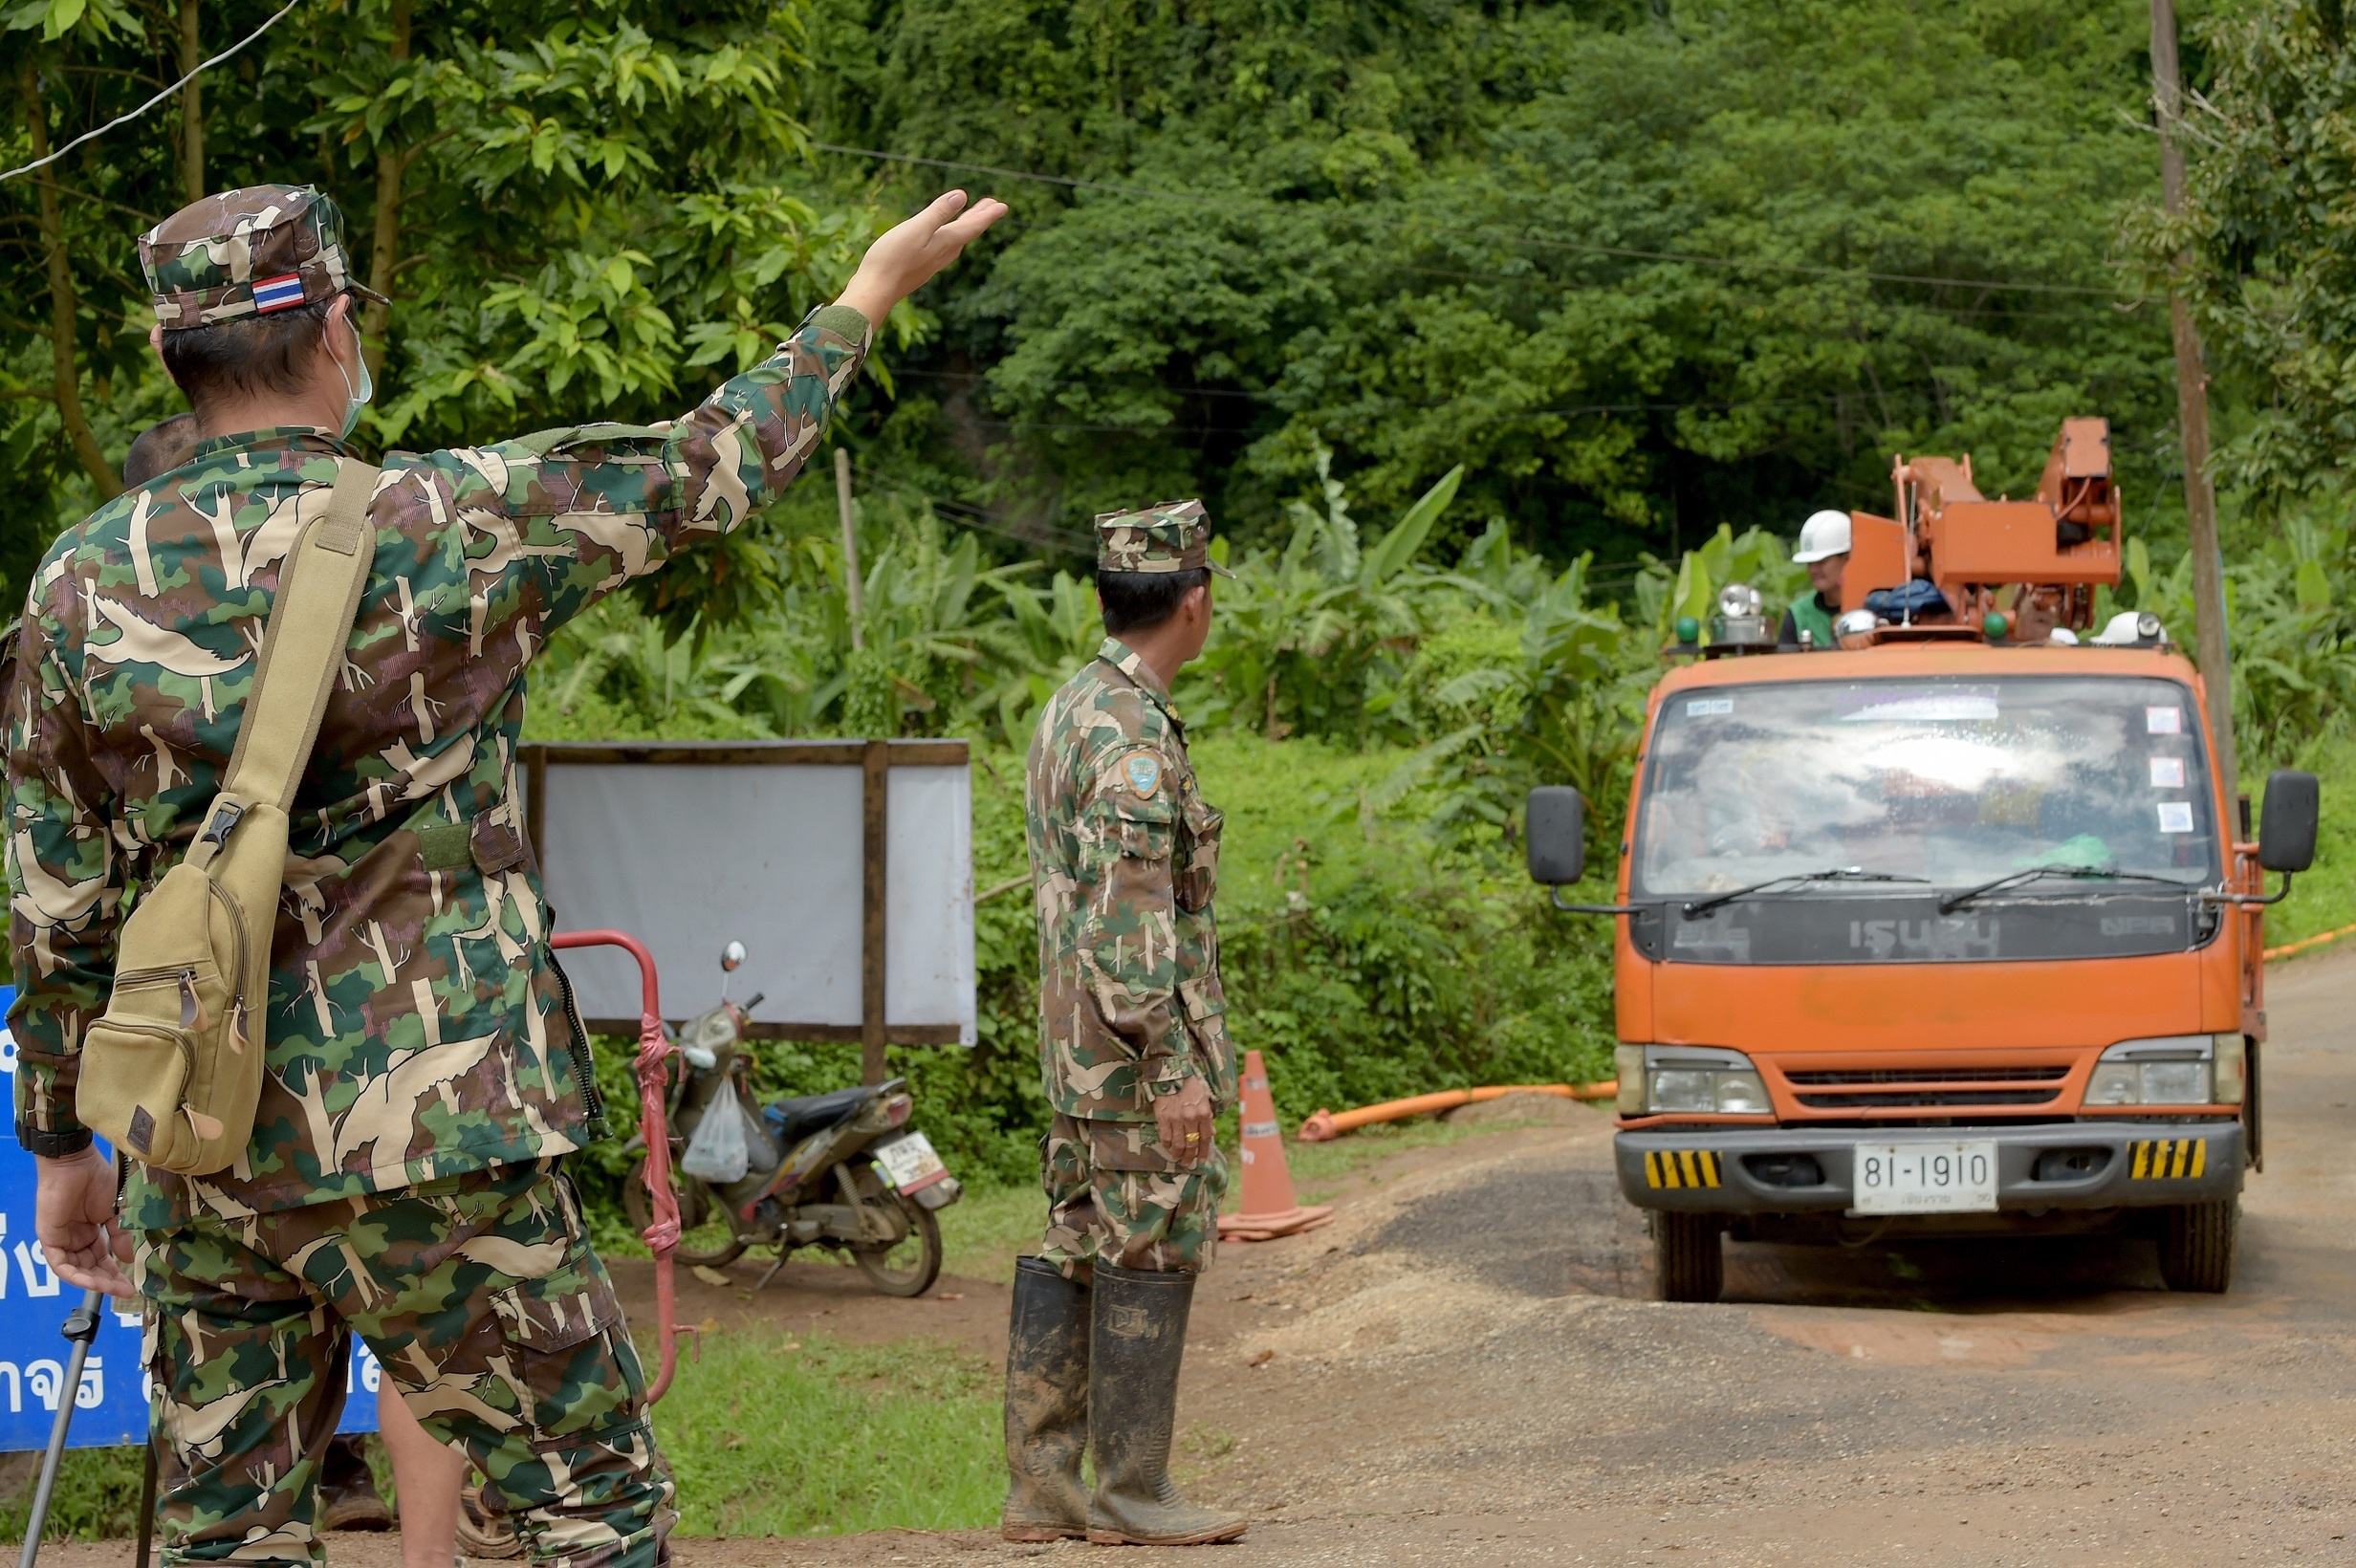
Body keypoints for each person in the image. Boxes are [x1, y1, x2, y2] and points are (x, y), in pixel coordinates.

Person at [11, 181, 1001, 1568]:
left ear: (174, 354)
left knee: (228, 1538)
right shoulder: (453, 517)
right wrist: (864, 298)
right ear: (337, 331)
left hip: (205, 1139)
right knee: (586, 1508)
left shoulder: (74, 587)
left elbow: (56, 910)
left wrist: (64, 1146)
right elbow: (710, 464)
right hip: (448, 1131)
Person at [117, 411, 468, 1553]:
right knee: (425, 1344)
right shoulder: (389, 582)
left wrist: (67, 1129)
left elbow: (65, 886)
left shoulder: (95, 618)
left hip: (195, 1077)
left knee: (230, 1456)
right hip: (376, 1053)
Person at [1005, 501, 1244, 1549]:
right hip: (1127, 1053)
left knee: (1076, 1238)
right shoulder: (1132, 736)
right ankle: (1132, 1490)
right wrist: (1170, 1065)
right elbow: (1132, 915)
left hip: (1077, 1050)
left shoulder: (1074, 705)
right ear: (1192, 600)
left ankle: (1044, 1489)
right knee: (1149, 1242)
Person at [1781, 508, 1850, 647]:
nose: (1813, 570)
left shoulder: (1872, 610)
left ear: (1847, 558)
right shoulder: (1799, 613)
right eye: (1809, 563)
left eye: (1822, 561)